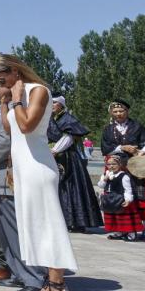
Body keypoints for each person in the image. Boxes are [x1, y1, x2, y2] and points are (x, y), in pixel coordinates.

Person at [0, 53, 77, 291]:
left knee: (49, 228)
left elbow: (27, 126)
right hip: (23, 169)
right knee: (34, 229)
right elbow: (10, 129)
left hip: (38, 168)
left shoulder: (38, 91)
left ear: (16, 71)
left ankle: (58, 289)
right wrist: (5, 102)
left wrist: (16, 99)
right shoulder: (14, 96)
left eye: (1, 79)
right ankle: (49, 284)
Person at [0, 75, 44, 291]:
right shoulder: (1, 107)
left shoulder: (20, 106)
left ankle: (33, 277)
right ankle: (17, 272)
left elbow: (7, 138)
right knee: (5, 232)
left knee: (16, 231)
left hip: (5, 176)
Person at [101, 100, 145, 241]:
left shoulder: (137, 126)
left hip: (136, 166)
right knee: (117, 197)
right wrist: (122, 147)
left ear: (127, 111)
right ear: (111, 113)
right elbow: (105, 148)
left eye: (121, 111)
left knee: (140, 197)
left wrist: (142, 151)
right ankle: (121, 229)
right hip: (116, 166)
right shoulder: (108, 129)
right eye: (115, 112)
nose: (118, 114)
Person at [48, 96, 103, 233]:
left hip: (68, 158)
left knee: (72, 187)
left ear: (61, 105)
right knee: (58, 188)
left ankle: (77, 222)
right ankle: (62, 221)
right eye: (50, 102)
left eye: (54, 102)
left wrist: (54, 150)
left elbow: (69, 137)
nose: (52, 105)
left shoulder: (68, 119)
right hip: (55, 158)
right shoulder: (52, 119)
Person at [98, 154, 141, 242]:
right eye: (109, 164)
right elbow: (101, 185)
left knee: (124, 218)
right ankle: (119, 232)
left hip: (120, 199)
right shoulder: (106, 174)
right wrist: (105, 179)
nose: (111, 166)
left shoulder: (124, 176)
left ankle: (131, 233)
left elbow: (128, 189)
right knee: (114, 217)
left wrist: (128, 200)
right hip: (110, 200)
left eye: (114, 164)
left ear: (120, 164)